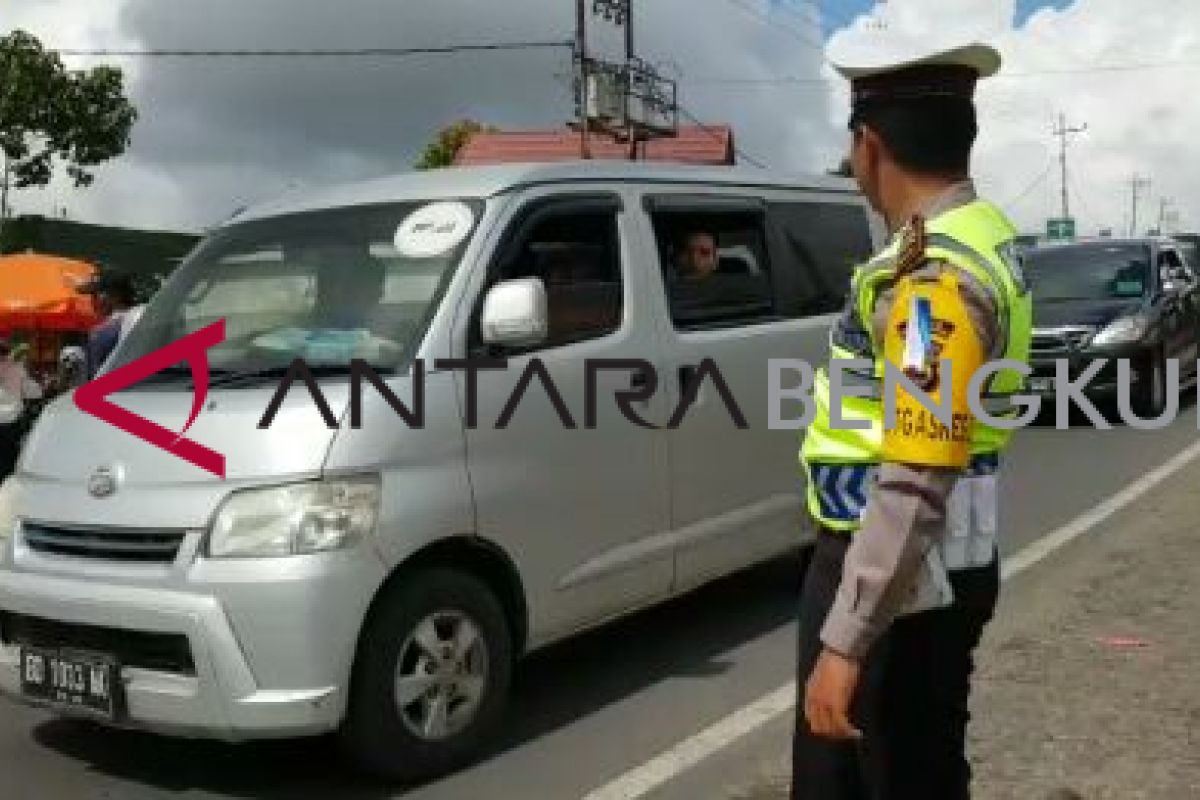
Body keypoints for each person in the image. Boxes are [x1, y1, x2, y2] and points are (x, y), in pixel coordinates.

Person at [791, 36, 1033, 799]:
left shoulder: (931, 275)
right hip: (935, 564)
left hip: (895, 572)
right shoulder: (983, 234)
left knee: (865, 780)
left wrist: (847, 637)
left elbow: (918, 468)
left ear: (868, 146)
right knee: (924, 765)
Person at [81, 272, 140, 377]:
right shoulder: (147, 320)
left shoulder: (100, 333)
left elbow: (92, 378)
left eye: (94, 294)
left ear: (114, 296)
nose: (92, 301)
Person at [0, 338, 43, 478]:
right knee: (10, 460)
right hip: (11, 423)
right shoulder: (16, 368)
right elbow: (35, 393)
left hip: (9, 422)